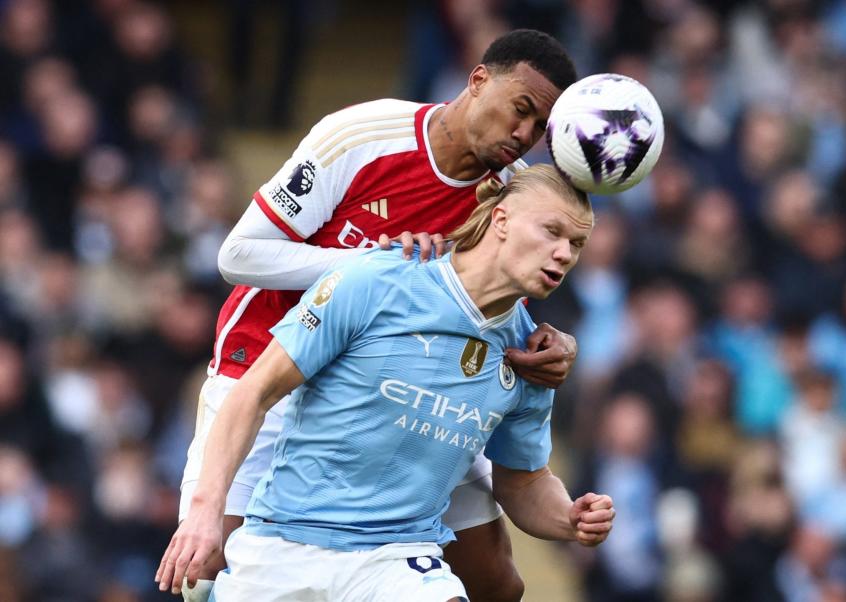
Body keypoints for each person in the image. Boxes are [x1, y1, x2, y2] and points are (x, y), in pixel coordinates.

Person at [175, 28, 580, 602]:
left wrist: (554, 343)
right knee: (205, 572)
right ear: (478, 79)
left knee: (496, 582)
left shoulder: (508, 197)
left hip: (385, 386)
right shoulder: (364, 134)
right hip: (271, 364)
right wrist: (373, 264)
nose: (524, 134)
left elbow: (496, 303)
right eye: (521, 110)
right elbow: (237, 255)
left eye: (540, 128)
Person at [157, 165, 615, 600]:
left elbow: (524, 481)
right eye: (552, 231)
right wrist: (204, 513)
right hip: (286, 541)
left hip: (397, 554)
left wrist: (570, 517)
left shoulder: (533, 356)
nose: (564, 253)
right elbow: (253, 393)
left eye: (576, 244)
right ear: (501, 219)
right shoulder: (378, 280)